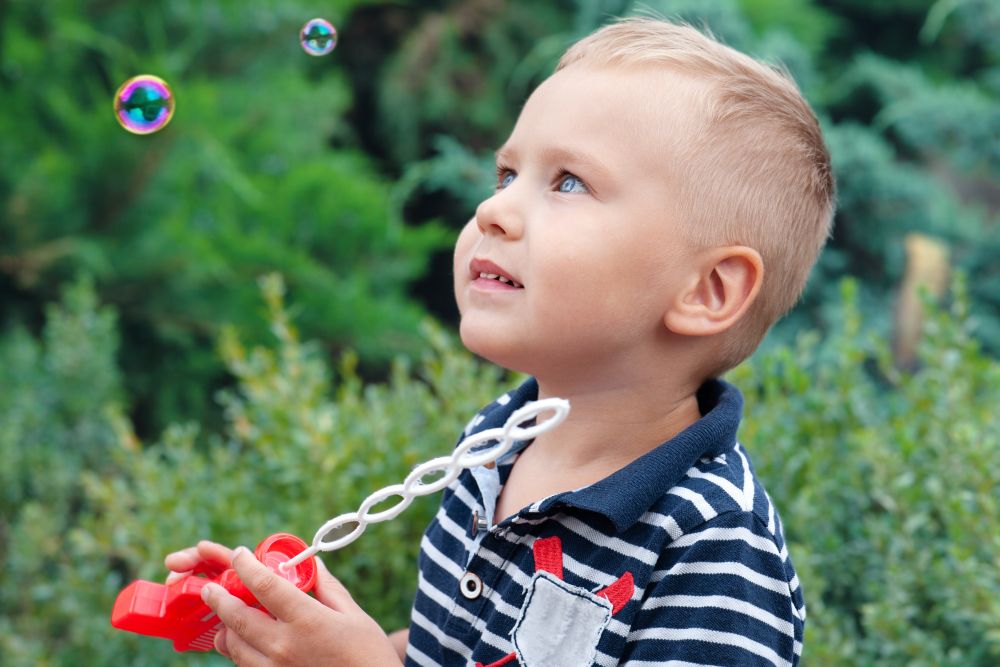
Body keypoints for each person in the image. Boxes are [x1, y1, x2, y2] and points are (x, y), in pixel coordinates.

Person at [165, 16, 833, 666]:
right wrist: (310, 628)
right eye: (508, 175)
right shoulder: (499, 441)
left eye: (569, 182)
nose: (492, 210)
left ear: (706, 290)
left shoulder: (714, 548)